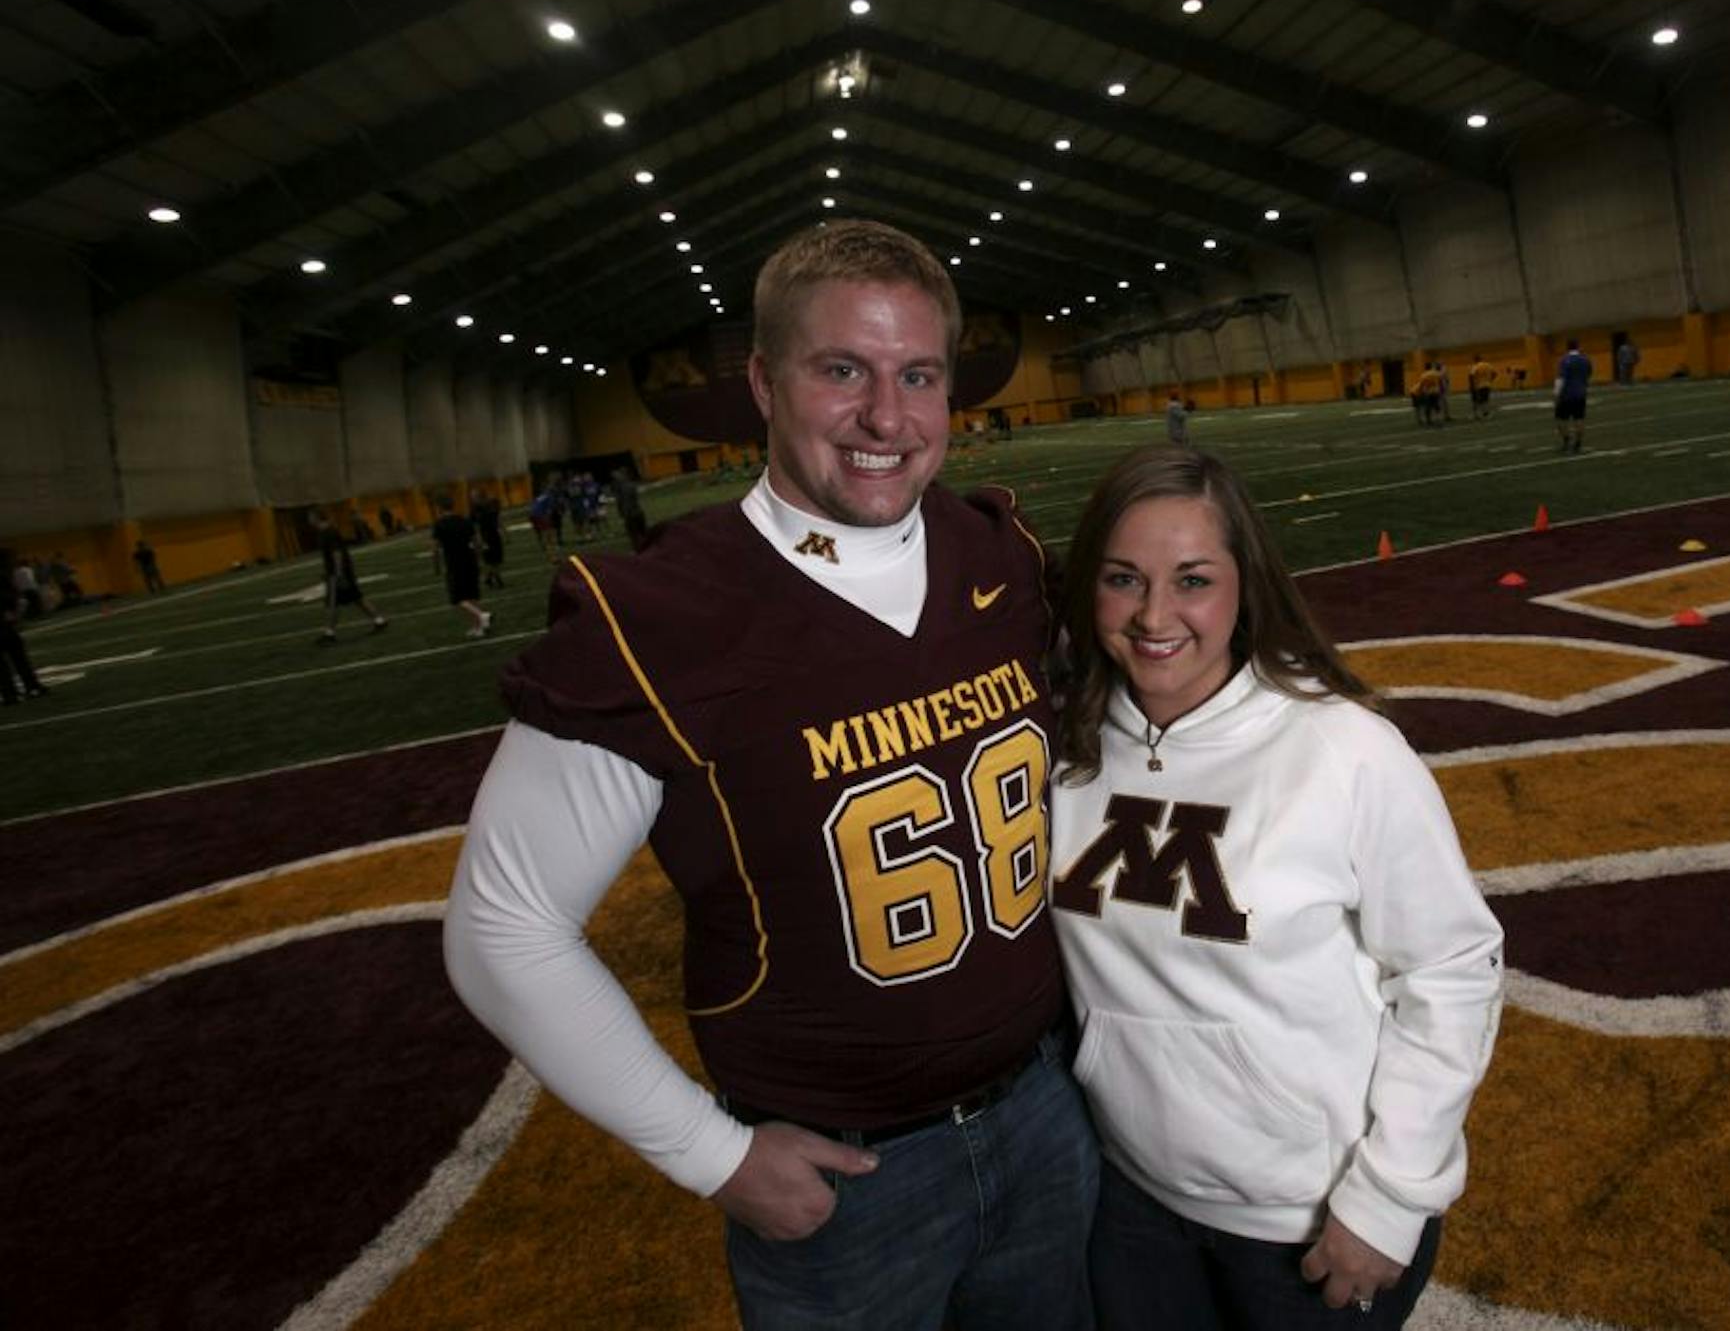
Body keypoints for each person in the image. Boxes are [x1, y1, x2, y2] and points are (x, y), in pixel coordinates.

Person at [443, 220, 1098, 1331]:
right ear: (762, 381)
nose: (886, 417)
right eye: (842, 370)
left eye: (917, 375)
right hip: (851, 1180)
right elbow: (502, 926)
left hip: (1048, 1108)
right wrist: (711, 1154)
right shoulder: (661, 618)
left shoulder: (1001, 552)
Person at [1048, 446, 1503, 1330]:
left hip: (1309, 1220)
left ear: (1244, 584)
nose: (1154, 615)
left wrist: (1391, 1195)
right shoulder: (1065, 748)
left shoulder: (1343, 748)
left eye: (1192, 580)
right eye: (1123, 578)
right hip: (1132, 1204)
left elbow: (1451, 969)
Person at [310, 509, 389, 642]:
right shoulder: (325, 532)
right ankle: (379, 620)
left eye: (310, 517)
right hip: (339, 572)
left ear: (316, 517)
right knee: (357, 598)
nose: (309, 520)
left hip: (338, 573)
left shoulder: (329, 532)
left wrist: (338, 573)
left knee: (332, 603)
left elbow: (337, 553)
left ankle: (329, 633)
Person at [430, 496, 491, 638]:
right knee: (471, 594)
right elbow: (477, 542)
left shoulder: (439, 524)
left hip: (454, 563)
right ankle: (478, 627)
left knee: (457, 598)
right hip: (470, 560)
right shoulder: (465, 520)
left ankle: (481, 615)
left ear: (439, 508)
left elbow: (434, 549)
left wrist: (436, 566)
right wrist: (479, 559)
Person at [0, 551, 50, 704]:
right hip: (5, 623)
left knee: (4, 664)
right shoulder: (3, 577)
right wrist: (12, 611)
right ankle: (31, 686)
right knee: (19, 658)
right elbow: (12, 597)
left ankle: (10, 694)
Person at [1553, 338, 1592, 453]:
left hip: (1566, 394)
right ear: (1578, 346)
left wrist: (1556, 393)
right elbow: (1589, 373)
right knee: (1579, 419)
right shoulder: (1585, 359)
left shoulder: (1564, 360)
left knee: (1561, 420)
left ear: (1567, 347)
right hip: (1580, 393)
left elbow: (1561, 378)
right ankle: (1578, 444)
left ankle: (1566, 441)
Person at [610, 467, 650, 552]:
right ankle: (648, 546)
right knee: (642, 531)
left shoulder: (622, 487)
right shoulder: (630, 484)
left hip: (631, 513)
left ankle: (639, 549)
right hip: (637, 511)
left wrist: (624, 514)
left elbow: (624, 501)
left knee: (634, 533)